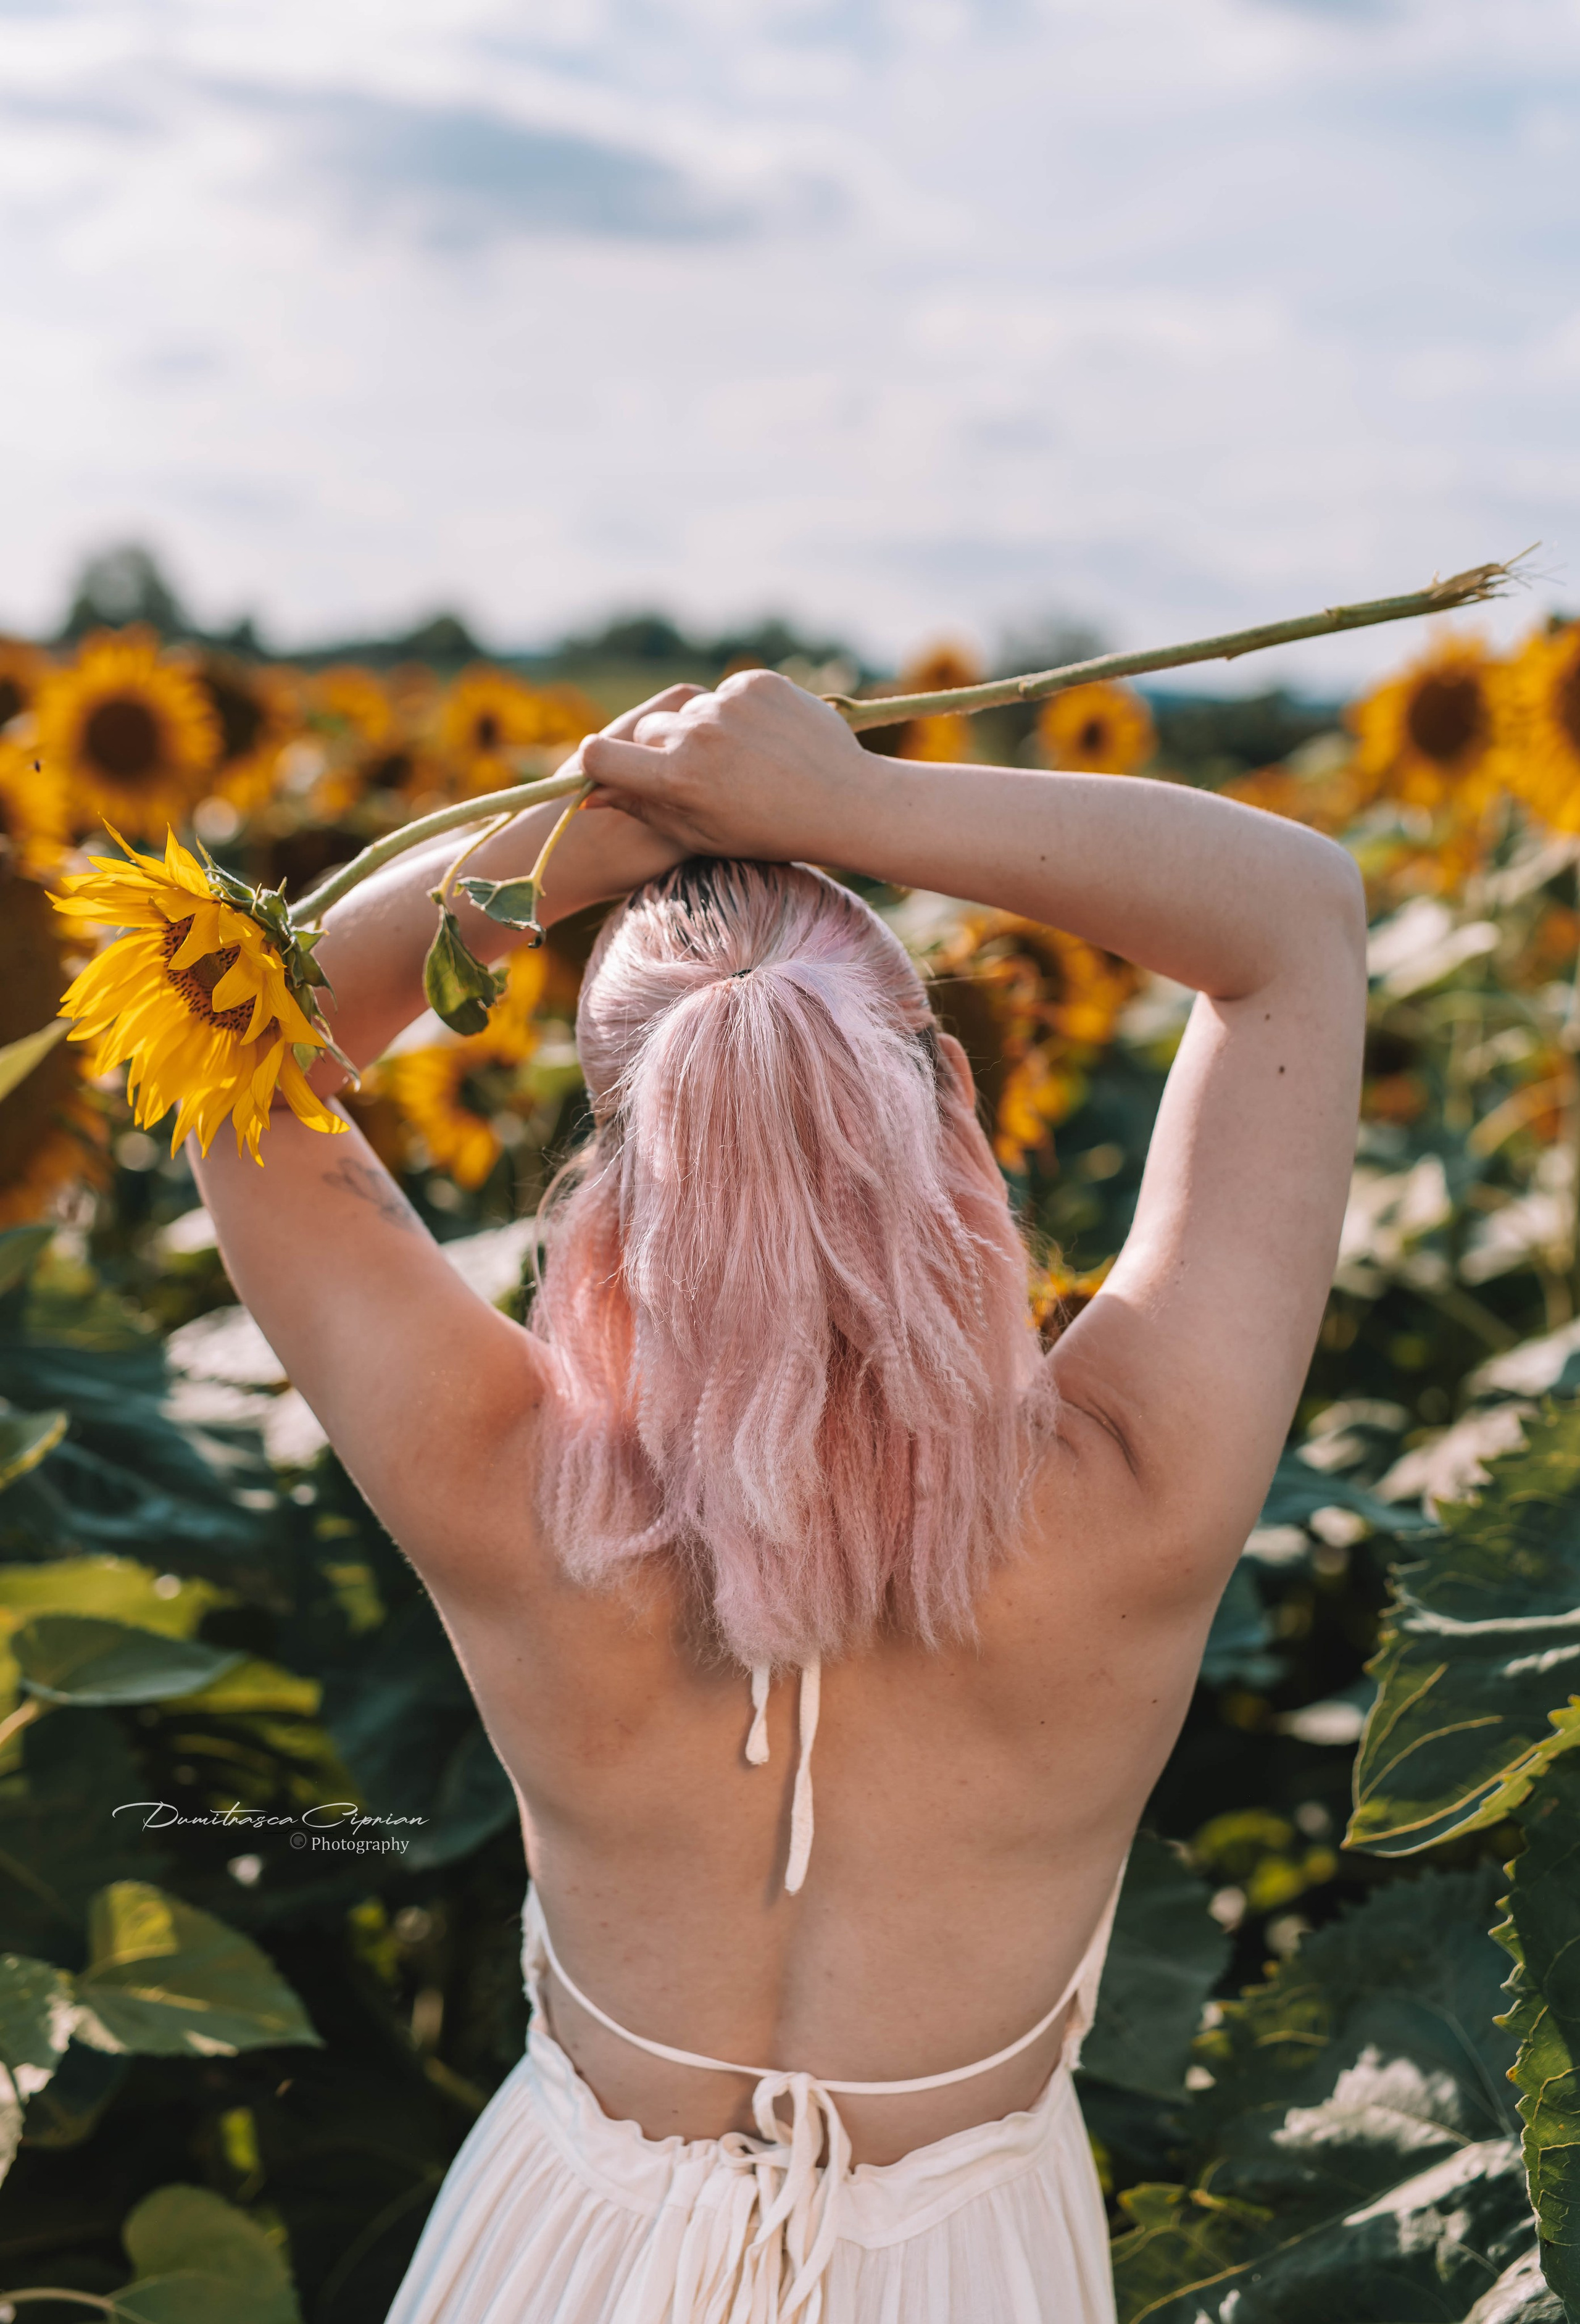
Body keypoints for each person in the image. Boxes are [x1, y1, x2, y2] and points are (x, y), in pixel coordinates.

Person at [193, 673, 1366, 2323]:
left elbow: (239, 1044)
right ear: (948, 1094)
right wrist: (844, 805)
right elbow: (1300, 919)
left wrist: (586, 834)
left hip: (564, 2259)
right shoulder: (1136, 1483)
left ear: (617, 1152)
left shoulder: (506, 1486)